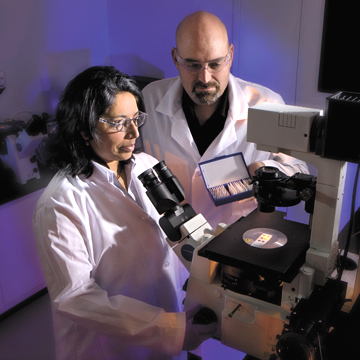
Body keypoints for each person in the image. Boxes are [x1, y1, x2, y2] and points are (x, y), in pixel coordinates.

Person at [32, 66, 217, 360]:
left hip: (166, 319)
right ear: (84, 129)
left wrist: (221, 260)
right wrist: (170, 330)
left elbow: (180, 228)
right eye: (119, 123)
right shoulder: (61, 203)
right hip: (110, 348)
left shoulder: (145, 165)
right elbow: (77, 297)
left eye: (135, 119)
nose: (134, 133)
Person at [141, 11, 309, 229]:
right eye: (192, 65)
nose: (205, 78)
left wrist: (265, 170)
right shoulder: (149, 99)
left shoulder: (267, 104)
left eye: (215, 63)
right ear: (175, 58)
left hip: (237, 239)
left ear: (230, 54)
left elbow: (300, 170)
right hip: (169, 243)